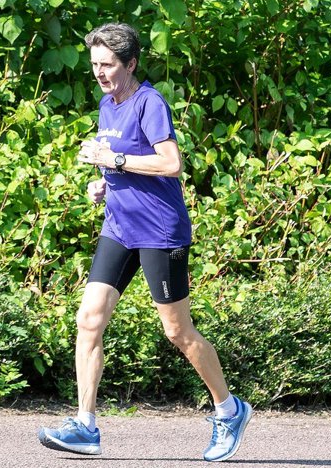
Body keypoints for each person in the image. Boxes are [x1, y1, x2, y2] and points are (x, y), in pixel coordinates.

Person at [37, 23, 252, 462]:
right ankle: (85, 426)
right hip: (119, 227)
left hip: (160, 232)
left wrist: (113, 159)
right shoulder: (106, 103)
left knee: (177, 331)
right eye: (94, 64)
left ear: (130, 63)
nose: (99, 72)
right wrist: (103, 182)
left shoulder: (149, 102)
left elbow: (170, 163)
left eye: (108, 65)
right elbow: (117, 162)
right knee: (88, 320)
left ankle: (230, 411)